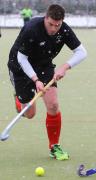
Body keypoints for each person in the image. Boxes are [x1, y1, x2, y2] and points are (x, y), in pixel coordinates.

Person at [8, 4, 87, 160]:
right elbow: (21, 58)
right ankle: (19, 99)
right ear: (46, 18)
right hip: (20, 67)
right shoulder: (31, 28)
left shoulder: (63, 30)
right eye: (50, 24)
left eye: (57, 25)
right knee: (30, 114)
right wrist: (35, 80)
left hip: (44, 65)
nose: (53, 29)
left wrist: (65, 67)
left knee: (53, 105)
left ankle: (54, 146)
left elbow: (82, 52)